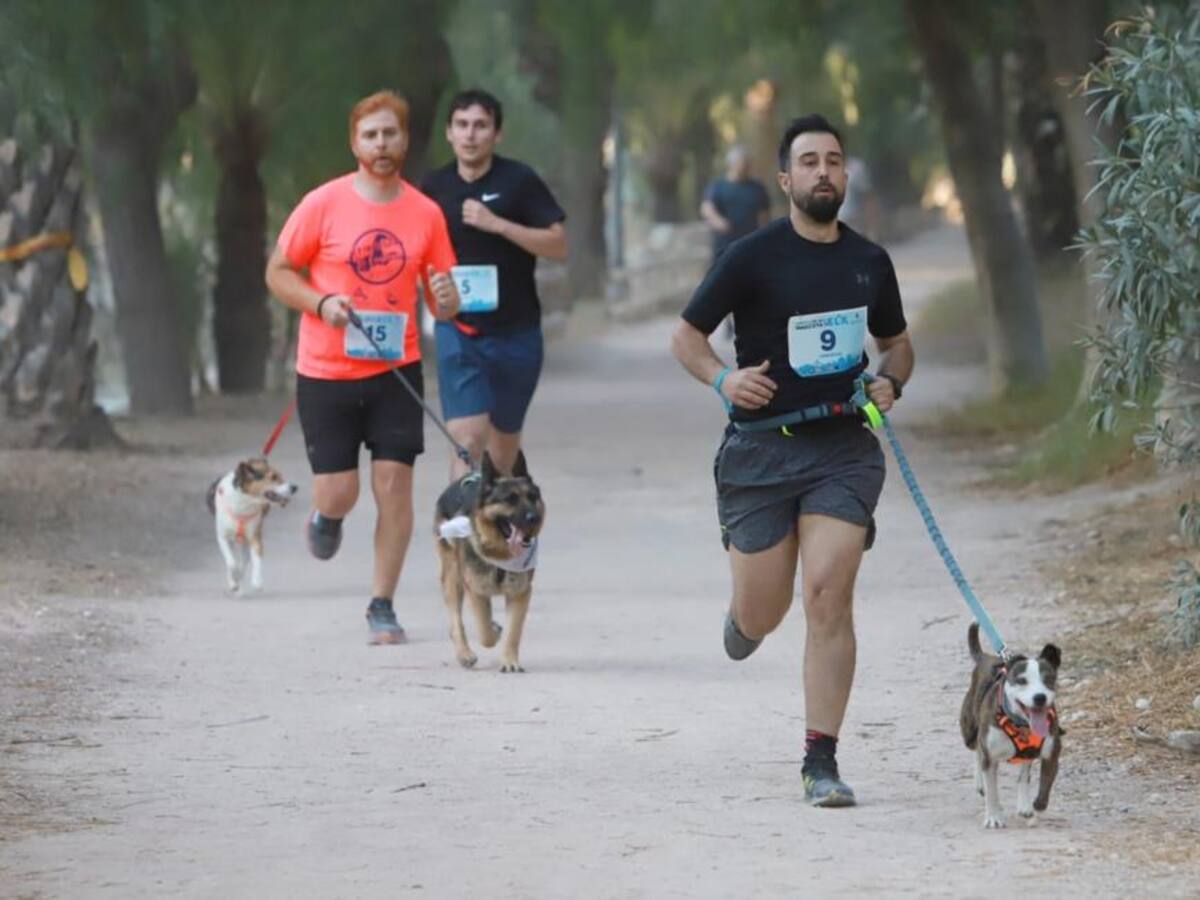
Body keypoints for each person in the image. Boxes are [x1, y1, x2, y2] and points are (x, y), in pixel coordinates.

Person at [670, 114, 914, 807]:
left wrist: (891, 381)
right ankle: (745, 619)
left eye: (834, 161)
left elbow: (897, 345)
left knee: (829, 597)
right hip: (759, 453)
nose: (823, 172)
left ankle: (821, 760)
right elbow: (686, 337)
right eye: (808, 162)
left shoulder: (869, 261)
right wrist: (723, 379)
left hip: (842, 447)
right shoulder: (750, 256)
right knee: (766, 610)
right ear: (785, 179)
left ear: (845, 174)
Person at [265, 90, 461, 645]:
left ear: (405, 140)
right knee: (340, 492)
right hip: (326, 371)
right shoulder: (323, 204)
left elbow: (445, 300)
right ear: (354, 143)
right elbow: (278, 272)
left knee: (395, 484)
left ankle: (382, 604)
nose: (381, 144)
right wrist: (321, 304)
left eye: (390, 133)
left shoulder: (425, 213)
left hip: (394, 369)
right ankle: (326, 517)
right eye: (370, 135)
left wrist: (446, 298)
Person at [420, 88, 567, 479]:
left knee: (502, 447)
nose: (470, 134)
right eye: (462, 125)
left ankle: (509, 516)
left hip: (516, 333)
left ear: (496, 134)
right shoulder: (433, 188)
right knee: (467, 439)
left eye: (480, 126)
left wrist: (497, 224)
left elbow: (557, 244)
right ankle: (463, 532)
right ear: (449, 133)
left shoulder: (519, 180)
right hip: (459, 329)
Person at [699, 145, 772, 260]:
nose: (745, 166)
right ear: (731, 164)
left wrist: (763, 234)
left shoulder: (757, 187)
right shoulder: (718, 186)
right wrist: (718, 222)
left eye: (748, 162)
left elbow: (764, 213)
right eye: (742, 162)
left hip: (750, 243)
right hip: (724, 244)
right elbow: (707, 208)